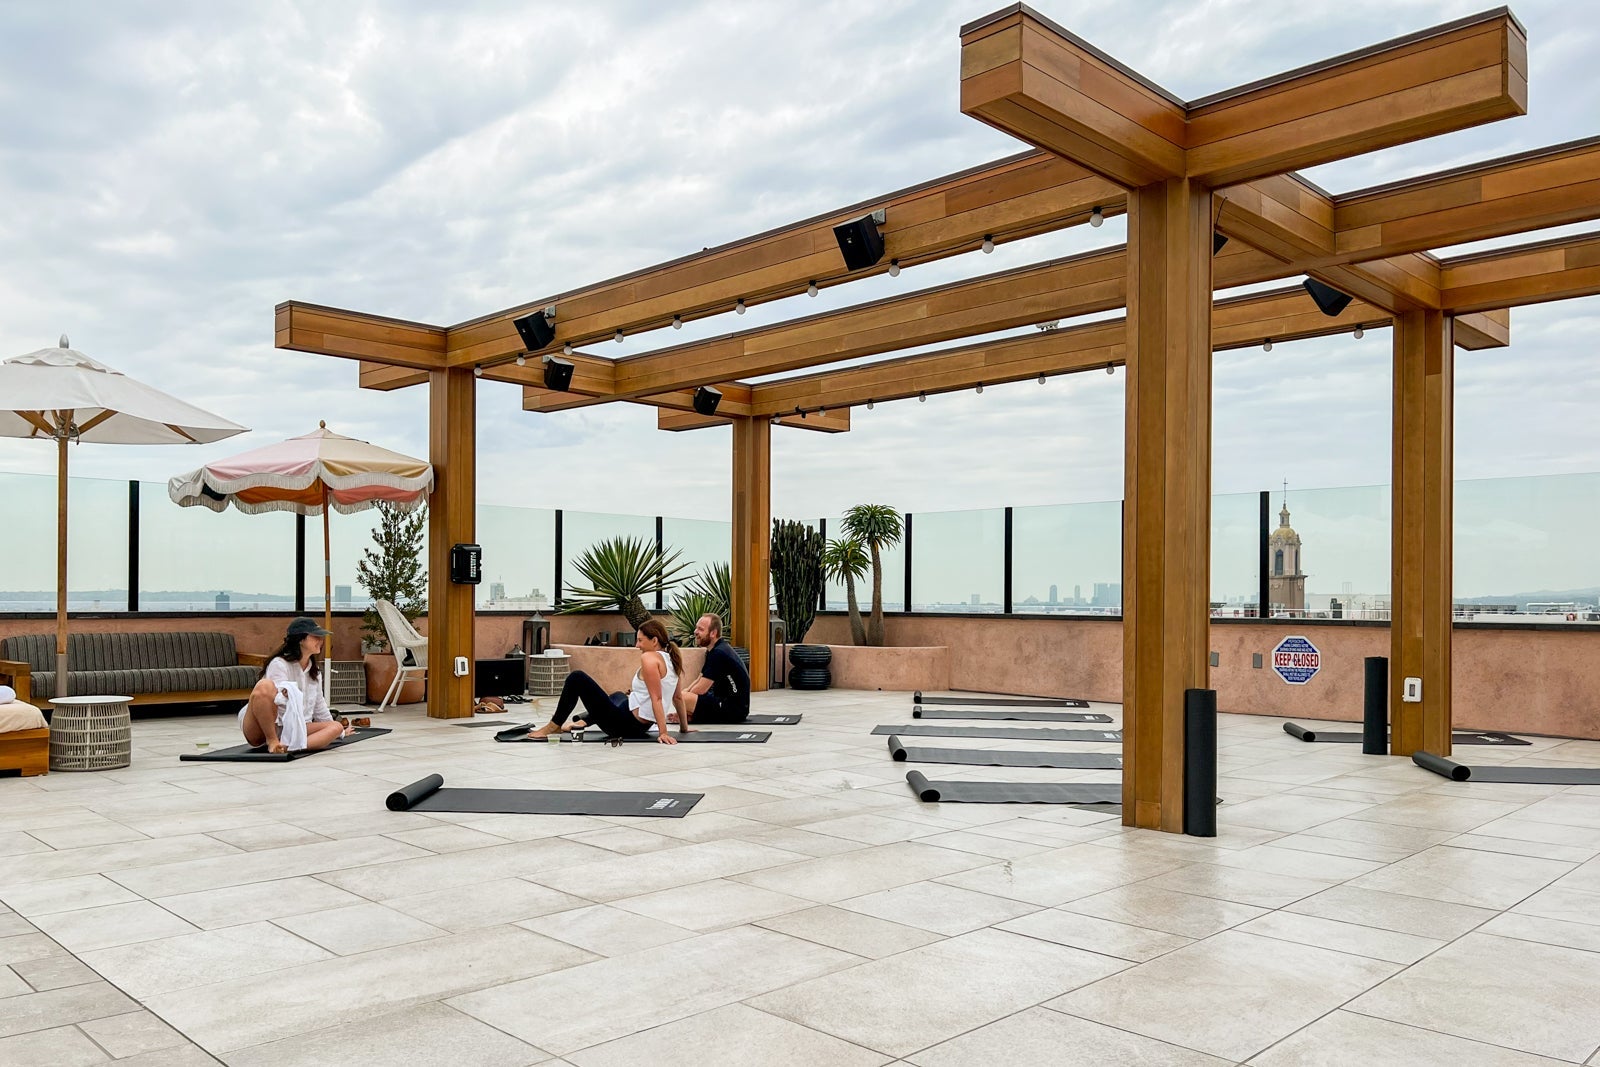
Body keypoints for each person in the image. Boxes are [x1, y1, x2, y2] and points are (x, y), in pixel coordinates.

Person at [524, 618, 682, 744]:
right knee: (619, 695)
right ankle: (584, 721)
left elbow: (657, 698)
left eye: (640, 640)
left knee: (576, 678)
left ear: (654, 641)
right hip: (634, 723)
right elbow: (678, 697)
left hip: (623, 725)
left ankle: (553, 726)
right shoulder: (673, 660)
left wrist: (663, 733)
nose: (636, 645)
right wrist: (684, 729)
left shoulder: (649, 657)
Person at [239, 617, 351, 754]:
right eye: (316, 637)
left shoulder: (314, 672)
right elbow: (275, 700)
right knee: (264, 685)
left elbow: (319, 707)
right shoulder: (279, 664)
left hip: (297, 728)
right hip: (266, 726)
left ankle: (289, 746)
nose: (320, 641)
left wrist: (340, 731)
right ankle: (273, 741)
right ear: (301, 639)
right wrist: (286, 694)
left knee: (336, 727)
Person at [671, 613, 750, 726]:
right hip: (727, 704)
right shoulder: (715, 650)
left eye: (700, 629)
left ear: (713, 633)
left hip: (733, 710)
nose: (695, 632)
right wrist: (685, 694)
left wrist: (682, 702)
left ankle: (689, 716)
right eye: (696, 627)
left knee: (680, 697)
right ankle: (690, 716)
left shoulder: (719, 653)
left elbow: (701, 689)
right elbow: (699, 678)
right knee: (681, 696)